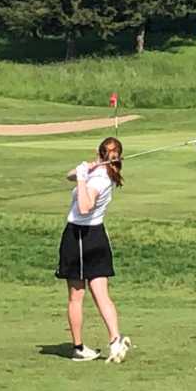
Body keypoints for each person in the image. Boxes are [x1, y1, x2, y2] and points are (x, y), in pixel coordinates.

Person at [57, 137, 132, 363]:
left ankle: (78, 348)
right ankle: (115, 340)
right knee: (101, 294)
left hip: (80, 237)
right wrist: (83, 169)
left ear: (100, 153)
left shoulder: (98, 181)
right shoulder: (106, 173)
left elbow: (84, 205)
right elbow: (68, 176)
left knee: (76, 297)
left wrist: (82, 178)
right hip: (97, 237)